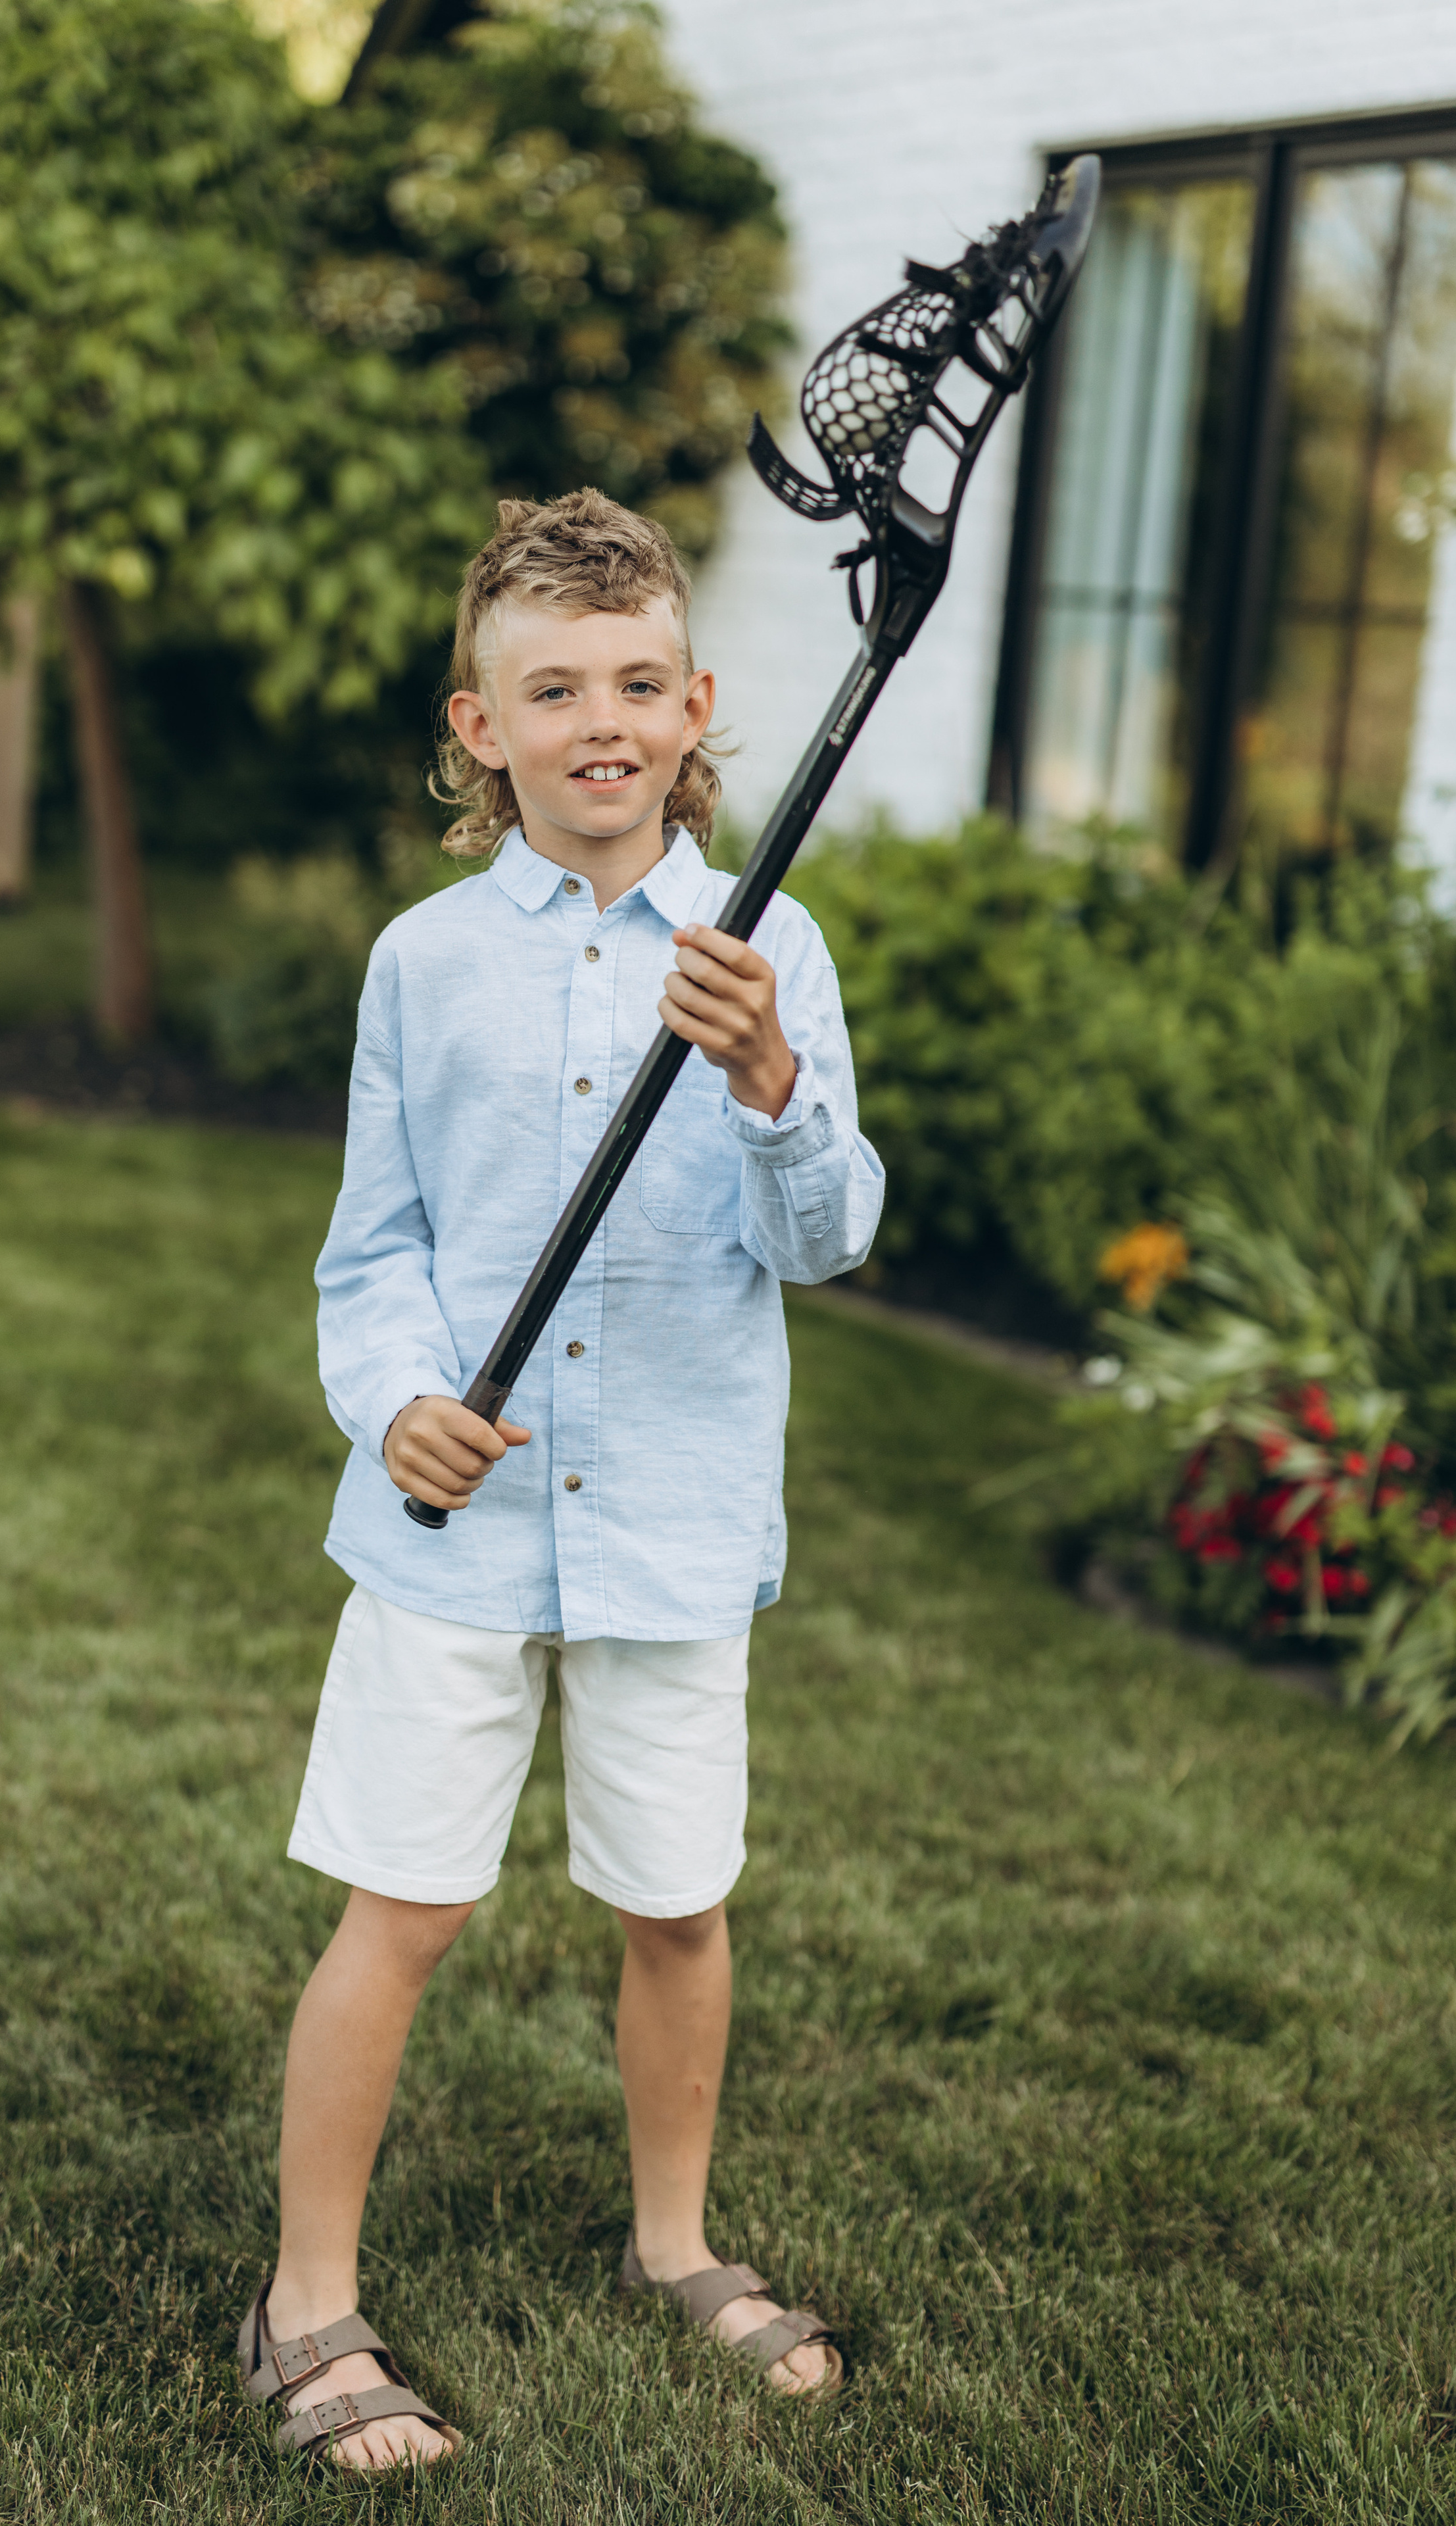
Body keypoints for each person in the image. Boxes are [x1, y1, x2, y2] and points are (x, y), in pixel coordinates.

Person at [237, 489, 885, 2470]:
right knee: (402, 1910)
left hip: (677, 1530)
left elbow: (834, 1234)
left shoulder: (771, 952)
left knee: (677, 1907)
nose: (599, 720)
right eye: (550, 689)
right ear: (478, 725)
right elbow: (374, 1253)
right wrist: (399, 1402)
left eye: (634, 683)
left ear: (695, 707)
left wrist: (774, 1088)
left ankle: (672, 2243)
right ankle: (306, 2304)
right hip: (457, 1542)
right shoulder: (420, 966)